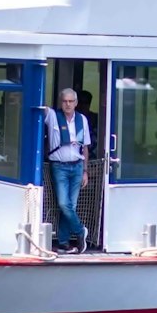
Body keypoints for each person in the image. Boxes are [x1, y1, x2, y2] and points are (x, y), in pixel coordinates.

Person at [43, 88, 91, 252]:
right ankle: (80, 231)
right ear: (60, 102)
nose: (68, 104)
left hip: (77, 166)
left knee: (71, 205)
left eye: (71, 101)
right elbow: (40, 105)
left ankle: (63, 242)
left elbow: (85, 147)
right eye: (65, 101)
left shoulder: (82, 119)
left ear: (76, 103)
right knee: (64, 204)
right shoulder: (52, 116)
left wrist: (85, 171)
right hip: (59, 167)